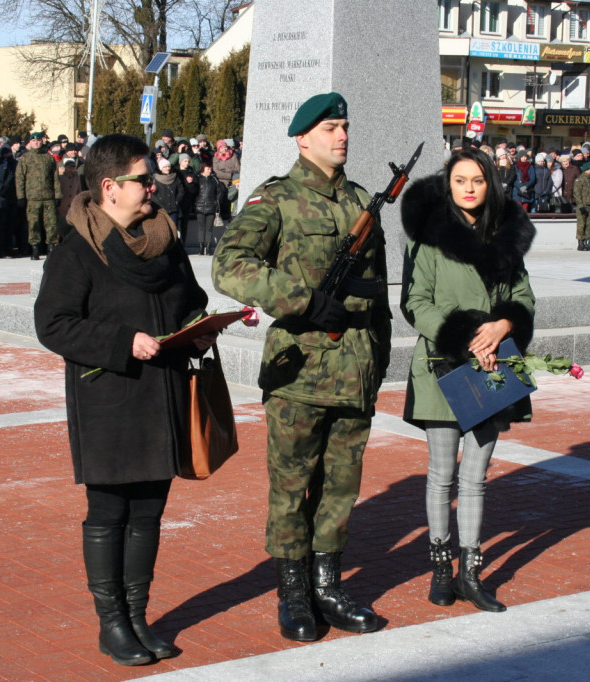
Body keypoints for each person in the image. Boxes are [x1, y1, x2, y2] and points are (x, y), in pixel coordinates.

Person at [211, 92, 391, 642]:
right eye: (331, 127)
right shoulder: (277, 199)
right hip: (301, 374)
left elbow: (378, 295)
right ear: (303, 137)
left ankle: (328, 586)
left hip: (354, 369)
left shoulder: (362, 199)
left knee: (341, 486)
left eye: (344, 125)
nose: (342, 135)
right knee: (292, 488)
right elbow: (229, 266)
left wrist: (377, 363)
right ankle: (293, 594)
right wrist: (300, 298)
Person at [33, 134, 215, 666]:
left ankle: (138, 616)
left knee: (150, 512)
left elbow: (191, 299)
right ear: (110, 187)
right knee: (109, 511)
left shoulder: (164, 238)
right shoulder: (76, 250)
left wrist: (199, 328)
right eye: (143, 179)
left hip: (161, 393)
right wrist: (122, 342)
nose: (153, 188)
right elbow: (53, 324)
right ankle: (111, 624)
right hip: (108, 396)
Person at [400, 147, 535, 612]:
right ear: (448, 185)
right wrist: (462, 336)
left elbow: (523, 296)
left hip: (493, 364)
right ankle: (441, 569)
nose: (470, 188)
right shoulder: (430, 237)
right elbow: (416, 302)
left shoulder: (506, 235)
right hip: (443, 364)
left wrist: (504, 325)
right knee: (442, 476)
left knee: (475, 479)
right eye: (461, 180)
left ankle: (471, 575)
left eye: (478, 180)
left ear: (490, 183)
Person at [16, 132, 62, 260]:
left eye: (38, 141)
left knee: (51, 224)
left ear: (42, 141)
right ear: (30, 142)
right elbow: (20, 179)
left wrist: (58, 195)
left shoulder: (48, 158)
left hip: (48, 197)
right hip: (32, 198)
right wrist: (21, 197)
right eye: (34, 141)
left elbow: (55, 178)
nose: (36, 143)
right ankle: (35, 248)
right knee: (33, 224)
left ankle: (51, 247)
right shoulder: (25, 159)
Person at [192, 163, 223, 256]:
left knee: (209, 228)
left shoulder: (214, 179)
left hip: (211, 206)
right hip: (200, 205)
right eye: (207, 169)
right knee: (201, 228)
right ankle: (201, 247)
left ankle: (208, 248)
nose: (209, 171)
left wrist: (216, 203)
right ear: (203, 170)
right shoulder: (198, 179)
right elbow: (193, 191)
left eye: (210, 169)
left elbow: (220, 192)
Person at [573, 162, 590, 251]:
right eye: (589, 169)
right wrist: (580, 205)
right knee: (581, 224)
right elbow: (577, 193)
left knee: (589, 225)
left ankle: (586, 242)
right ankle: (580, 243)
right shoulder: (580, 180)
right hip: (583, 205)